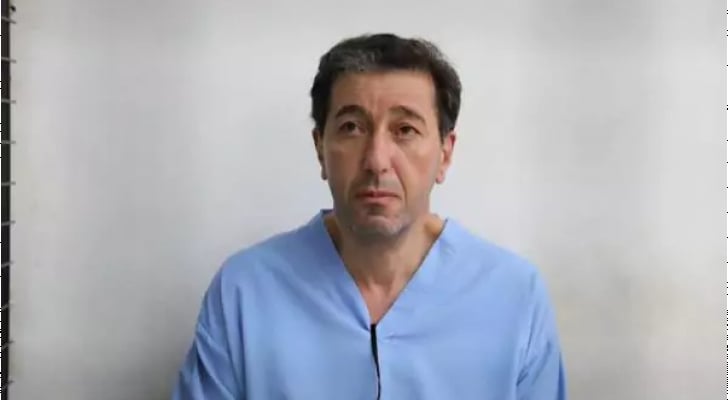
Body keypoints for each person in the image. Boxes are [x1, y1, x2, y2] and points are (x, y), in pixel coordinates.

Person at [172, 33, 567, 400]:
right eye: (352, 127)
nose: (377, 160)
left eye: (405, 130)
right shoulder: (244, 292)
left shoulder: (514, 295)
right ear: (320, 148)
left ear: (445, 154)